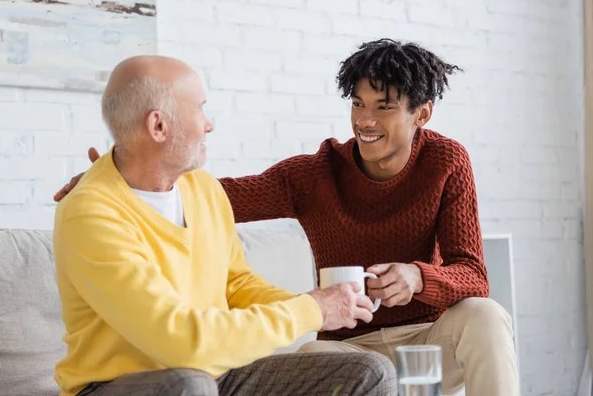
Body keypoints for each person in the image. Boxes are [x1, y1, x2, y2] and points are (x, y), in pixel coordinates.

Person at [55, 39, 519, 395]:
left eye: (384, 106)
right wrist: (117, 174)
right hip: (328, 342)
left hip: (426, 332)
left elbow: (473, 274)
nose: (365, 119)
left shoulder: (446, 161)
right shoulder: (311, 175)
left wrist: (415, 279)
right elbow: (227, 200)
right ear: (158, 126)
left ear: (422, 114)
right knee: (214, 377)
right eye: (358, 103)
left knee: (482, 316)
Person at [52, 55, 396, 396]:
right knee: (189, 384)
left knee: (369, 371)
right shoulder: (91, 213)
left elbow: (236, 285)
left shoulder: (203, 189)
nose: (209, 124)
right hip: (116, 386)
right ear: (159, 126)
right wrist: (311, 311)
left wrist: (314, 302)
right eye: (199, 109)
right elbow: (181, 343)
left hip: (212, 375)